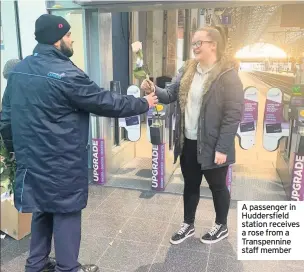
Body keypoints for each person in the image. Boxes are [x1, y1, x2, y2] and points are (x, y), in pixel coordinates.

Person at [1, 14, 158, 272]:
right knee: (66, 213)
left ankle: (36, 265)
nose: (72, 38)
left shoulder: (18, 71)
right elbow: (104, 101)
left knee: (41, 209)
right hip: (61, 164)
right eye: (68, 35)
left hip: (30, 163)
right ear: (56, 40)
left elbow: (5, 119)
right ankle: (67, 267)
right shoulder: (67, 74)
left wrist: (15, 152)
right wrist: (143, 103)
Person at [141, 25, 244, 245]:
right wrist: (152, 90)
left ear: (213, 45)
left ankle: (221, 225)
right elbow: (170, 94)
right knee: (191, 184)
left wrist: (223, 148)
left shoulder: (228, 75)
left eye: (199, 43)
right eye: (193, 43)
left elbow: (233, 115)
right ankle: (188, 224)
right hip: (188, 141)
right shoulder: (188, 69)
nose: (195, 47)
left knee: (217, 186)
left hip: (213, 144)